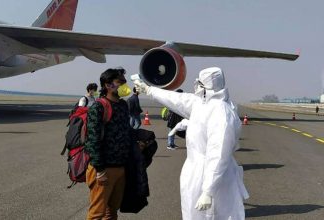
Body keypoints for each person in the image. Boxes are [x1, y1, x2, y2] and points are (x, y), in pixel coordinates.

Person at [134, 67, 249, 220]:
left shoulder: (221, 113)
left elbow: (218, 154)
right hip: (195, 171)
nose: (196, 86)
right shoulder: (202, 104)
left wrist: (208, 191)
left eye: (200, 83)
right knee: (192, 213)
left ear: (207, 86)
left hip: (210, 176)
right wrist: (149, 90)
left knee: (213, 215)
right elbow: (177, 100)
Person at [84, 68, 132, 220]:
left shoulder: (124, 105)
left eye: (124, 81)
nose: (125, 85)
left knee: (111, 213)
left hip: (120, 167)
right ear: (108, 85)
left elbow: (125, 131)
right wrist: (99, 169)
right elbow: (93, 140)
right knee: (97, 214)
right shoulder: (99, 107)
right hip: (104, 169)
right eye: (120, 82)